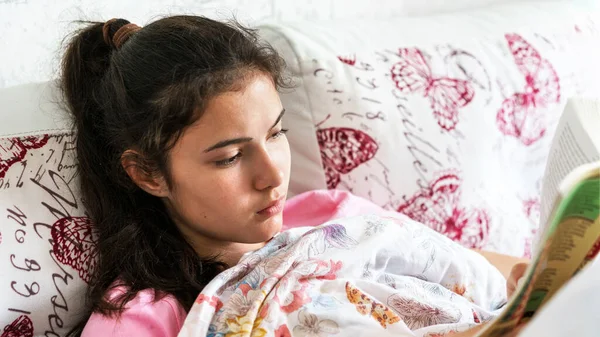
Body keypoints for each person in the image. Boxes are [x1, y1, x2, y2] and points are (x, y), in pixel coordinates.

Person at [60, 16, 528, 337]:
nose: (272, 176)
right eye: (229, 158)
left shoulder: (331, 216)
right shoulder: (143, 316)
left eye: (276, 133)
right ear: (147, 174)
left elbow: (486, 276)